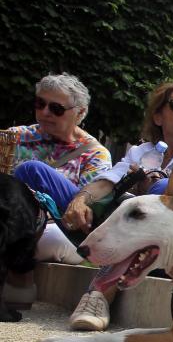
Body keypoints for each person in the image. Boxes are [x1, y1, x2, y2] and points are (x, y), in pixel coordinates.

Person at [63, 83, 173, 331]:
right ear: (158, 116)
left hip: (169, 245)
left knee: (159, 191)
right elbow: (107, 182)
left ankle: (97, 295)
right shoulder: (140, 152)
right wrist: (80, 201)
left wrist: (151, 197)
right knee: (34, 172)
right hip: (115, 223)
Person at [2, 74, 113, 308]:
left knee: (31, 171)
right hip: (13, 222)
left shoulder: (96, 154)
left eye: (56, 108)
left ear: (80, 113)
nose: (45, 113)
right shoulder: (15, 138)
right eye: (40, 104)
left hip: (62, 230)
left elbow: (87, 216)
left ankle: (19, 275)